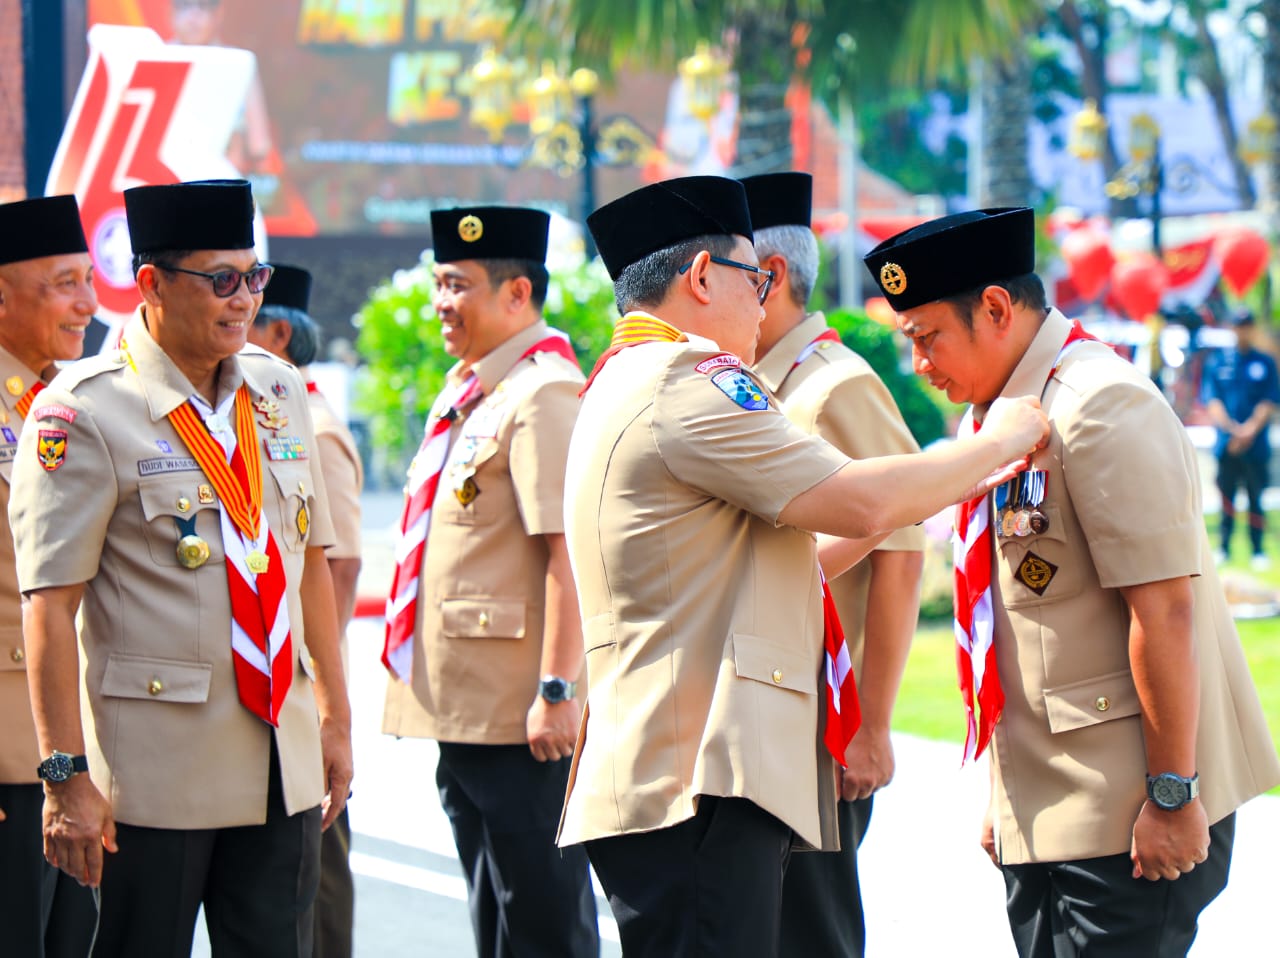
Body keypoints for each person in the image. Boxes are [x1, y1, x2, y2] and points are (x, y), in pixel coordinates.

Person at [557, 175, 1049, 957]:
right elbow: (857, 502)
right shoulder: (689, 379)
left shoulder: (621, 379)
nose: (763, 304)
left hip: (666, 775)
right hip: (698, 783)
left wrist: (915, 496)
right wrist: (999, 442)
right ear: (702, 277)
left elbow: (771, 559)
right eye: (755, 281)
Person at [864, 207, 1280, 958]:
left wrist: (1173, 796)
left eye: (927, 337)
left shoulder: (1097, 404)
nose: (920, 363)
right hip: (1050, 804)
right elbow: (1008, 623)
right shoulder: (1000, 412)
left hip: (1127, 809)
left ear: (995, 308)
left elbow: (1166, 611)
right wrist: (1006, 791)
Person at [9, 179, 353, 957]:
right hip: (156, 776)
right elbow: (48, 604)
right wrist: (65, 778)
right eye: (221, 279)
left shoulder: (277, 388)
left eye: (253, 277)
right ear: (152, 284)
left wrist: (335, 717)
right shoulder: (84, 410)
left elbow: (310, 569)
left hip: (282, 760)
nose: (242, 300)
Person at [380, 206, 599, 958]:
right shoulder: (474, 389)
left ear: (516, 295)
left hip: (523, 720)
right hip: (470, 713)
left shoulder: (543, 392)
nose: (444, 302)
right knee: (496, 920)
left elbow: (567, 553)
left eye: (460, 285)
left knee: (543, 922)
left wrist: (557, 691)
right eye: (440, 284)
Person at [743, 172, 925, 958]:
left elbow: (902, 551)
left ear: (770, 277)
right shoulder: (760, 382)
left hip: (826, 727)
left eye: (723, 270)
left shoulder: (832, 384)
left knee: (811, 932)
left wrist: (874, 728)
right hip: (777, 717)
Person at [247, 262, 362, 958]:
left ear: (278, 332)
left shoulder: (310, 427)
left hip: (302, 694)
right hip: (276, 688)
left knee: (313, 896)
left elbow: (338, 566)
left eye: (249, 306)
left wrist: (322, 691)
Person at [0, 194, 99, 957]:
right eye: (64, 282)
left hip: (73, 744)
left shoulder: (59, 405)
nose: (88, 304)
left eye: (89, 280)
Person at [1201, 306, 1279, 570]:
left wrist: (1248, 431)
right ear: (1231, 328)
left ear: (1252, 328)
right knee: (1227, 497)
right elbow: (1212, 400)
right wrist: (1232, 430)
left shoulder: (1264, 361)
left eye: (1247, 325)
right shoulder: (1218, 361)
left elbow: (1269, 401)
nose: (1242, 331)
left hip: (1255, 444)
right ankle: (1224, 546)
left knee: (1256, 497)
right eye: (1238, 325)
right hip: (1227, 445)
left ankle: (1258, 549)